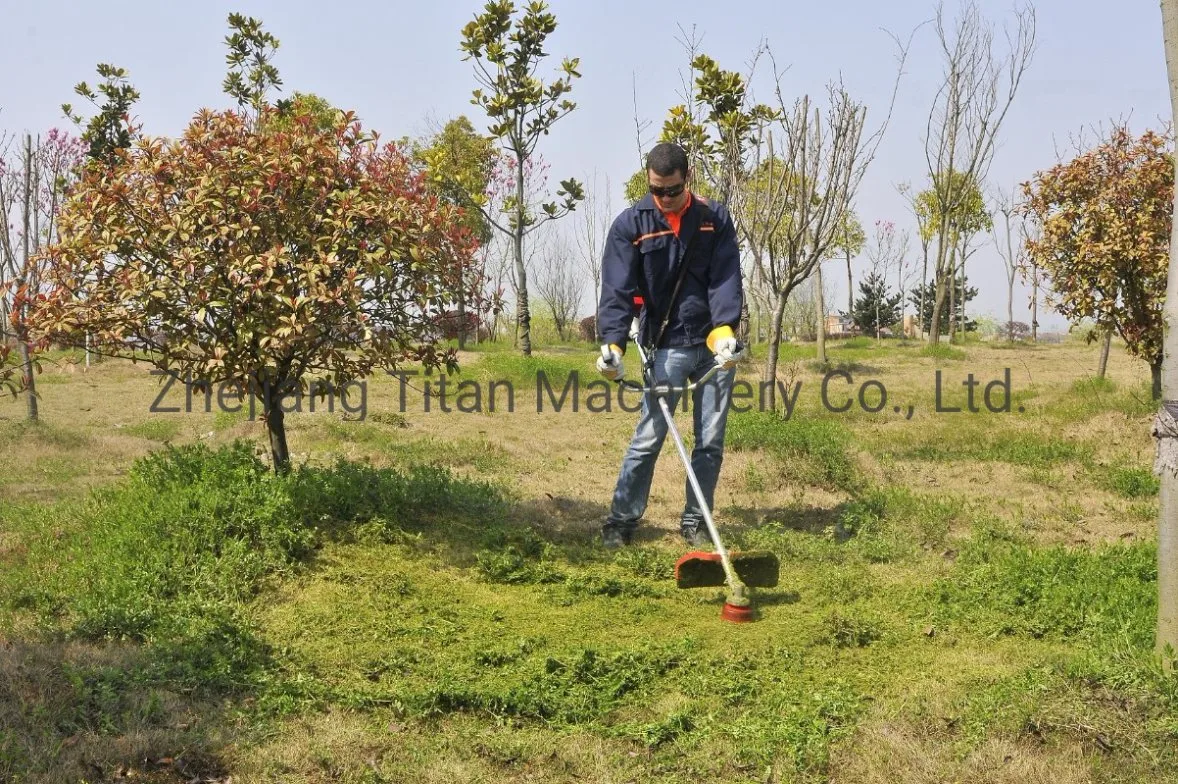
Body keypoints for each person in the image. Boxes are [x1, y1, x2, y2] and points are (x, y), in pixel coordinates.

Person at [595, 142, 745, 549]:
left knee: (710, 441)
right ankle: (621, 521)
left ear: (688, 178)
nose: (663, 199)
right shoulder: (632, 225)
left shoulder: (715, 219)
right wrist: (613, 344)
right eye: (656, 190)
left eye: (672, 190)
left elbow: (725, 278)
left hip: (714, 347)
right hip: (667, 346)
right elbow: (617, 288)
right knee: (649, 437)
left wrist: (726, 333)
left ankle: (696, 522)